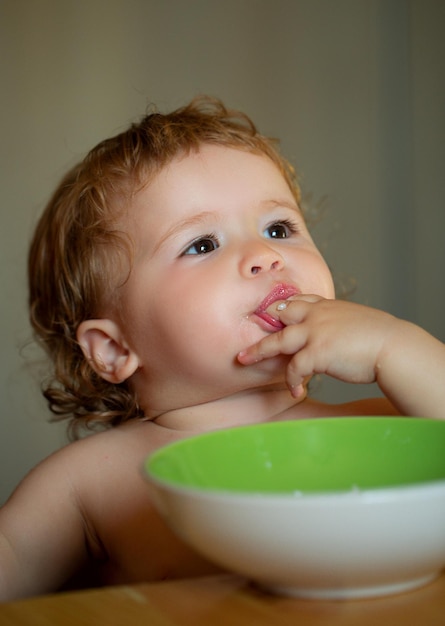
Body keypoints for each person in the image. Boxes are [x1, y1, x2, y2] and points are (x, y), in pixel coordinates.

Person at [1, 96, 444, 602]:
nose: (265, 255)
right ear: (113, 348)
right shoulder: (88, 483)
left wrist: (396, 346)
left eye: (278, 228)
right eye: (202, 244)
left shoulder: (380, 432)